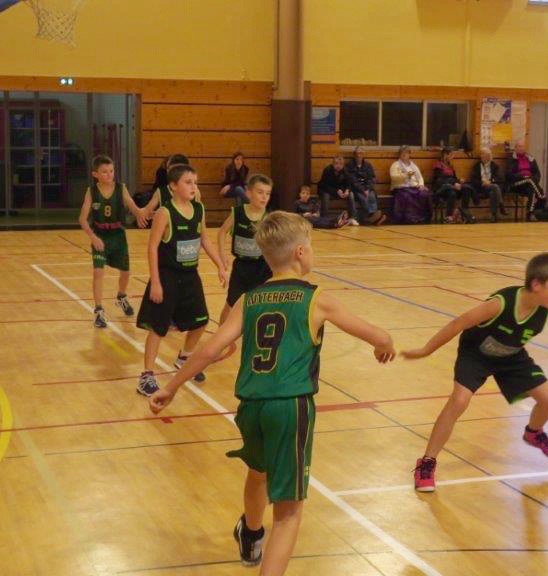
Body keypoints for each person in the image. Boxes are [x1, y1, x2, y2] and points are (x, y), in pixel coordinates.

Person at [148, 211, 395, 575]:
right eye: (310, 246)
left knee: (258, 470)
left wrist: (171, 386)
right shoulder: (316, 298)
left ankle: (250, 533)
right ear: (300, 252)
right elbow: (378, 335)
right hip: (290, 406)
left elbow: (210, 349)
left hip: (250, 407)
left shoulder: (249, 299)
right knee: (288, 515)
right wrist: (385, 344)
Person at [404, 253, 548, 492]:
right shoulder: (500, 304)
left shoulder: (542, 310)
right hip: (476, 355)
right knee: (459, 401)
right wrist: (426, 350)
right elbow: (458, 323)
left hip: (511, 357)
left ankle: (533, 433)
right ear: (536, 284)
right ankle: (427, 463)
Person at [135, 164, 227, 395]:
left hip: (190, 276)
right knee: (158, 327)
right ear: (173, 186)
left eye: (195, 182)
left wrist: (220, 265)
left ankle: (184, 357)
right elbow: (152, 247)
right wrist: (156, 282)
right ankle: (146, 375)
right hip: (167, 276)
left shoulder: (199, 209)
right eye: (188, 182)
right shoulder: (165, 213)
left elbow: (204, 239)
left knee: (201, 320)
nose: (194, 187)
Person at [77, 154, 150, 328]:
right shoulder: (91, 191)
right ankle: (99, 310)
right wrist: (93, 237)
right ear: (95, 174)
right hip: (100, 235)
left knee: (125, 272)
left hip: (118, 235)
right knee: (98, 272)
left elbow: (134, 207)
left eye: (111, 171)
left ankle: (121, 296)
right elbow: (82, 219)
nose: (109, 174)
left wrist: (143, 213)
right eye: (104, 172)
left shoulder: (120, 188)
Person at [217, 174, 274, 335]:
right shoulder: (238, 213)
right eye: (260, 192)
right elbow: (222, 232)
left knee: (262, 305)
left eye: (268, 193)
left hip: (263, 268)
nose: (264, 197)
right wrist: (222, 255)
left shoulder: (269, 218)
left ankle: (260, 336)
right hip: (241, 267)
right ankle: (221, 336)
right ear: (248, 193)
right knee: (231, 304)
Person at [389, 145, 432, 224]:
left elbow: (419, 177)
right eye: (402, 153)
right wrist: (406, 175)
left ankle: (422, 218)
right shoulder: (395, 165)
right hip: (401, 188)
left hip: (413, 187)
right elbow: (393, 177)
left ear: (409, 154)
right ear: (399, 154)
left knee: (424, 194)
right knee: (407, 196)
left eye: (406, 153)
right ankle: (409, 219)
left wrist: (421, 185)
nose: (404, 154)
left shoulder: (413, 165)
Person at [506, 142, 548, 221]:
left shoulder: (530, 158)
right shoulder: (511, 159)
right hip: (515, 183)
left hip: (529, 183)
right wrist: (522, 176)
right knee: (529, 180)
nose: (521, 148)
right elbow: (509, 175)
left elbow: (537, 173)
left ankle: (530, 213)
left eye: (522, 147)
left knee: (532, 189)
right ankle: (543, 200)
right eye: (519, 147)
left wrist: (534, 180)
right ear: (515, 148)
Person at [431, 147, 476, 224]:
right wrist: (453, 183)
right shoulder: (438, 165)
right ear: (445, 155)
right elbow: (439, 180)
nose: (453, 157)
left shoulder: (450, 166)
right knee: (452, 193)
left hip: (452, 187)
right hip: (442, 189)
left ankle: (464, 212)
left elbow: (454, 178)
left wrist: (459, 181)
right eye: (451, 155)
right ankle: (449, 216)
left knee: (466, 190)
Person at [345, 147, 387, 225]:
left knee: (372, 195)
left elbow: (371, 178)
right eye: (357, 154)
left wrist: (367, 188)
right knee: (363, 197)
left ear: (363, 155)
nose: (359, 155)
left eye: (361, 153)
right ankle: (371, 217)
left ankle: (373, 216)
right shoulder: (349, 165)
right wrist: (363, 190)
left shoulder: (368, 165)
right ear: (354, 155)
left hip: (367, 188)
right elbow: (352, 180)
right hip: (356, 189)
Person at [469, 147, 508, 221]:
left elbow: (500, 178)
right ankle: (501, 205)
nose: (481, 156)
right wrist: (482, 183)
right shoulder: (477, 166)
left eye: (483, 154)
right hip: (481, 188)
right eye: (482, 154)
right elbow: (473, 180)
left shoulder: (494, 166)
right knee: (495, 188)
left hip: (491, 187)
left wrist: (490, 181)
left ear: (489, 156)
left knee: (493, 191)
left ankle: (493, 215)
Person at [318, 155, 359, 225]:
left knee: (351, 194)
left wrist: (347, 190)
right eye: (336, 163)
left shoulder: (345, 171)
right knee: (325, 195)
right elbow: (325, 186)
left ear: (343, 165)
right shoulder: (327, 170)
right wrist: (336, 191)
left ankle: (352, 218)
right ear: (333, 164)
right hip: (327, 190)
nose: (338, 166)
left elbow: (349, 183)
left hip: (339, 192)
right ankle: (324, 218)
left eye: (341, 164)